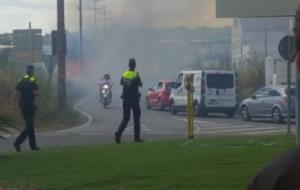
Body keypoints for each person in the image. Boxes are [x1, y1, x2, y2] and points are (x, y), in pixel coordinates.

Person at [115, 58, 143, 144]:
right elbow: (141, 84)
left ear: (128, 65)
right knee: (136, 118)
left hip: (126, 99)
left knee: (126, 118)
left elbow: (121, 83)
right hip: (134, 99)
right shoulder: (136, 74)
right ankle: (136, 138)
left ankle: (118, 133)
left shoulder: (125, 74)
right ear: (135, 65)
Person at [13, 65, 40, 152]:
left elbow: (16, 92)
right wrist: (36, 102)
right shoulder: (33, 80)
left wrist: (14, 103)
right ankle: (18, 142)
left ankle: (33, 146)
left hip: (22, 105)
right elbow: (35, 93)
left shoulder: (22, 79)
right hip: (29, 105)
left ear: (26, 70)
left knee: (30, 126)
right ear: (32, 71)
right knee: (30, 126)